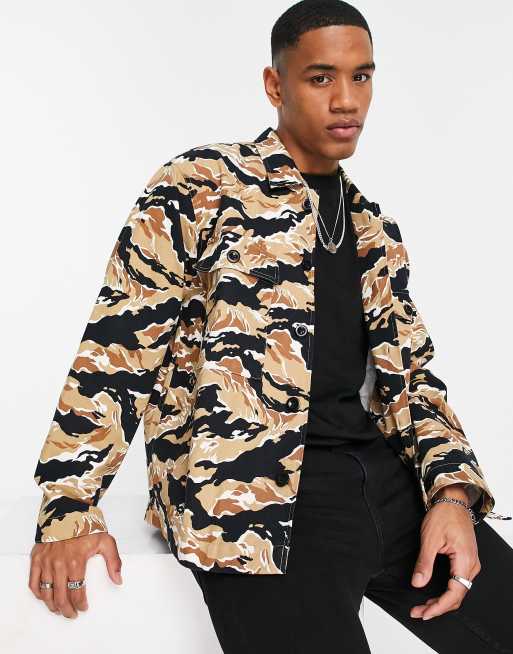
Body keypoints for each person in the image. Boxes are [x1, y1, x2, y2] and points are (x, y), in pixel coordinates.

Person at [29, 0, 513, 651]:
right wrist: (68, 505)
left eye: (361, 76)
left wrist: (452, 494)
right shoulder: (199, 186)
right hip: (251, 503)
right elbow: (119, 346)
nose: (346, 100)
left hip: (381, 484)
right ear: (275, 85)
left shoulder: (373, 228)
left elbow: (411, 381)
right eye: (320, 78)